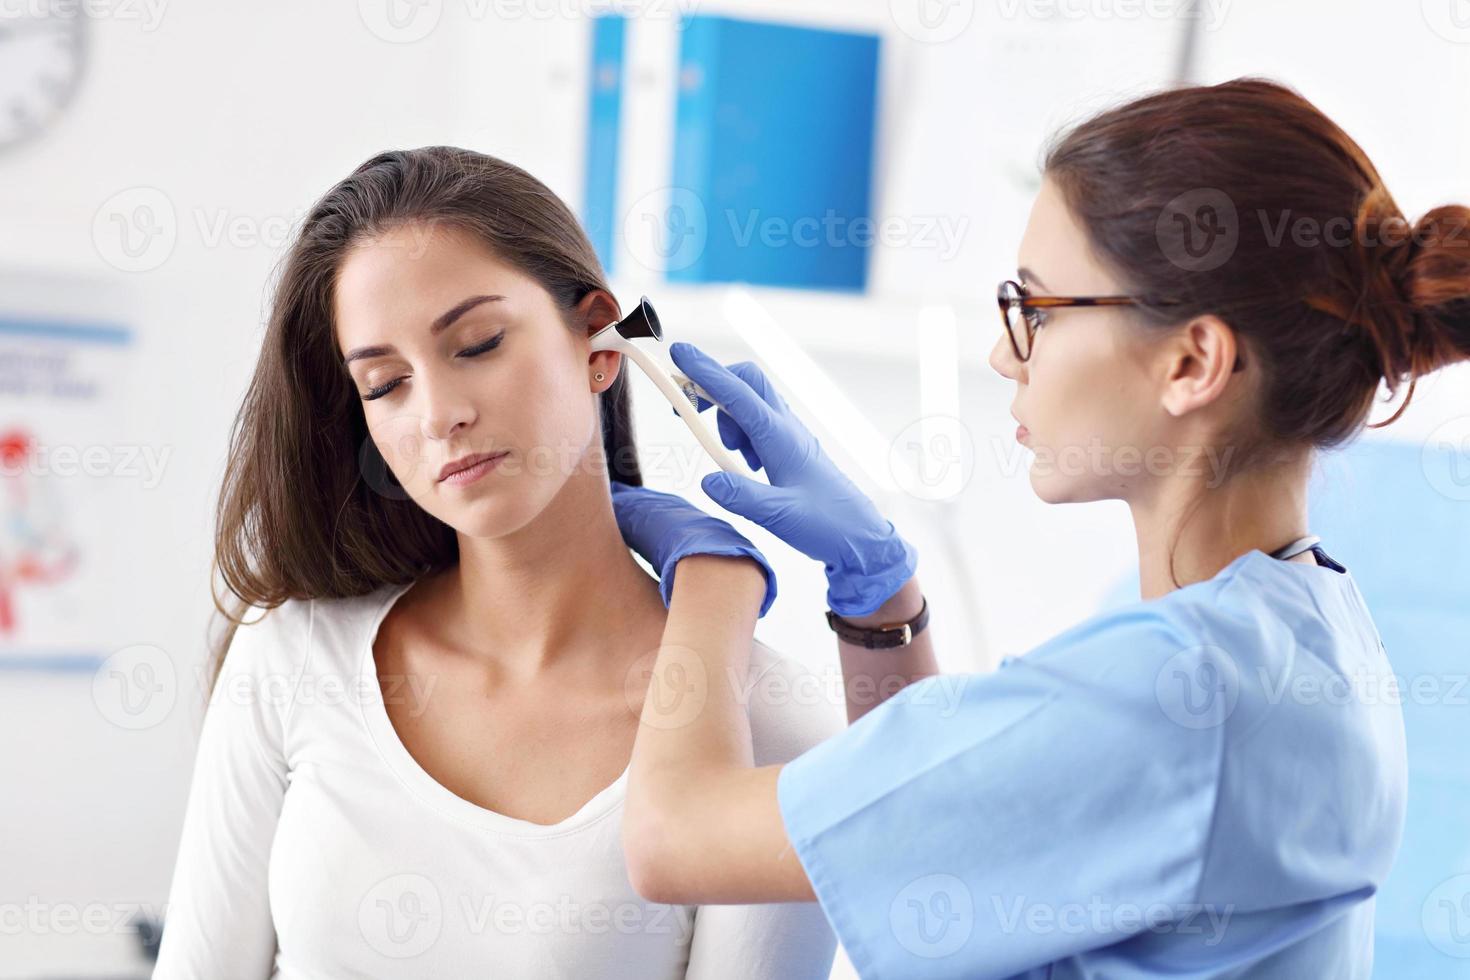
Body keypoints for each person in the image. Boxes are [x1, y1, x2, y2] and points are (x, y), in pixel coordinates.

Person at [609, 77, 1470, 979]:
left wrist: (712, 573)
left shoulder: (1163, 695)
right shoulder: (1309, 621)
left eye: (1037, 309)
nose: (1002, 355)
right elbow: (949, 823)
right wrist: (881, 598)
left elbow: (673, 839)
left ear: (1193, 361)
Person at [152, 147, 840, 979]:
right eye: (384, 384)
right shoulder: (294, 659)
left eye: (476, 344)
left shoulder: (774, 730)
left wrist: (716, 595)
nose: (440, 414)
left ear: (598, 341)